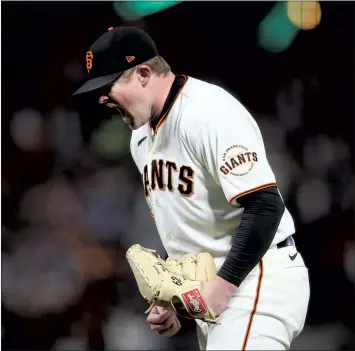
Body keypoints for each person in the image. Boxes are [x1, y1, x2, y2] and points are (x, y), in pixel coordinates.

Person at [74, 26, 310, 350]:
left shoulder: (209, 112)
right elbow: (188, 225)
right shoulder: (140, 138)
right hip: (220, 291)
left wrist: (221, 290)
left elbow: (265, 206)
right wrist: (173, 300)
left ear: (143, 74)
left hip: (258, 279)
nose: (102, 98)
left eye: (109, 84)